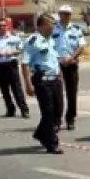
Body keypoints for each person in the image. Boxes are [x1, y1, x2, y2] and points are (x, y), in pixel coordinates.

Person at [21, 13, 63, 154]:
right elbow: (25, 63)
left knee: (57, 112)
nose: (54, 27)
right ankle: (51, 143)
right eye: (51, 24)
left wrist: (59, 76)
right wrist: (28, 84)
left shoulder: (51, 40)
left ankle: (40, 133)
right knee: (48, 112)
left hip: (55, 79)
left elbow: (54, 60)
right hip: (42, 81)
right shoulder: (33, 41)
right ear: (41, 26)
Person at [53, 5, 87, 130]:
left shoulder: (76, 29)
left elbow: (81, 46)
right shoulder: (53, 29)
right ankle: (56, 120)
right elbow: (49, 45)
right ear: (59, 14)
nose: (65, 16)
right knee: (57, 93)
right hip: (56, 64)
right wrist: (59, 59)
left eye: (68, 14)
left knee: (72, 93)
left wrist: (72, 58)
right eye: (63, 13)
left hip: (71, 64)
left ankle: (70, 118)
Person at [0, 18, 29, 118]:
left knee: (17, 89)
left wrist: (11, 53)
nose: (2, 27)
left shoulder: (14, 38)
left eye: (4, 25)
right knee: (4, 90)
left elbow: (21, 49)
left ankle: (24, 110)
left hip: (11, 65)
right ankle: (10, 110)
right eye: (0, 26)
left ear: (7, 26)